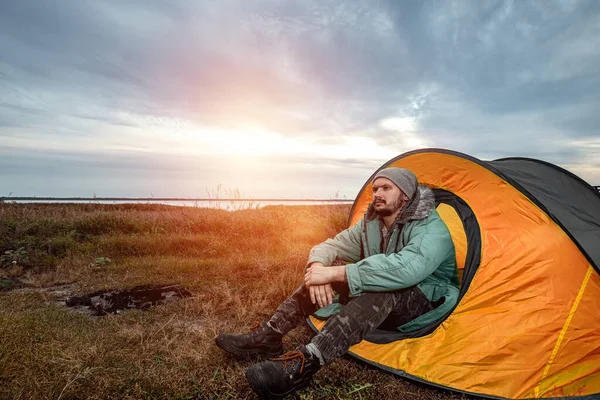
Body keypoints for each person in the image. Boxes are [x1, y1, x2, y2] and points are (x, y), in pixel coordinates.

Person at [215, 167, 459, 398]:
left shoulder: (430, 228)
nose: (377, 194)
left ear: (404, 196)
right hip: (388, 298)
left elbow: (406, 270)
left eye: (386, 188)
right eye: (375, 189)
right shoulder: (371, 223)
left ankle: (305, 364)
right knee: (332, 273)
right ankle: (269, 335)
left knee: (384, 286)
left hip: (426, 301)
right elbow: (331, 245)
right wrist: (318, 268)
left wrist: (336, 274)